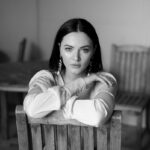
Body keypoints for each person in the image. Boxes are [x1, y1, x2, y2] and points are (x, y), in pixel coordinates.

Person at [23, 18, 117, 127]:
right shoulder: (45, 77)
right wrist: (80, 83)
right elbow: (32, 108)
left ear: (94, 51)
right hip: (50, 145)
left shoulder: (104, 80)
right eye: (68, 49)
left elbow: (98, 116)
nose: (76, 58)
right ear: (60, 49)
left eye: (85, 50)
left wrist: (53, 105)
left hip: (89, 144)